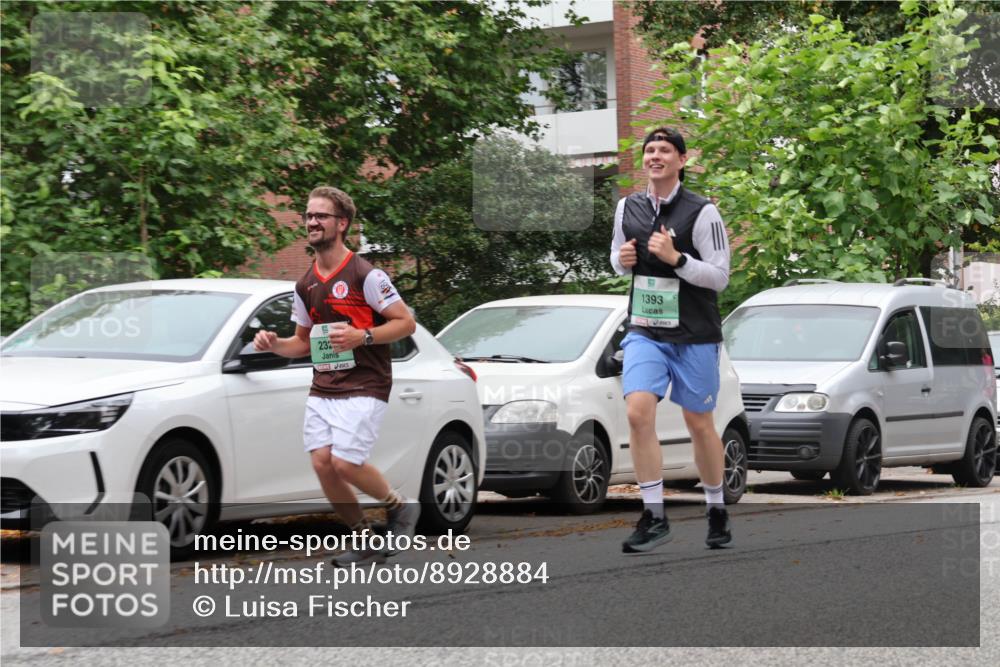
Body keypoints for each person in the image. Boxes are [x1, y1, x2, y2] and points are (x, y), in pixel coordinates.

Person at [254, 186, 418, 566]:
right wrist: (274, 343)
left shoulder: (367, 276)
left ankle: (400, 507)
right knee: (322, 464)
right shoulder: (305, 284)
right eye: (309, 215)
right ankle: (364, 538)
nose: (312, 222)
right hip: (324, 385)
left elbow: (406, 323)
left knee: (345, 462)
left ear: (341, 223)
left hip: (365, 383)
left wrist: (364, 336)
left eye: (321, 216)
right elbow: (303, 343)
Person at [609, 127, 733, 552]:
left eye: (664, 150)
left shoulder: (703, 212)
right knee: (637, 413)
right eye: (649, 150)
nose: (655, 156)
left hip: (695, 333)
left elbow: (718, 277)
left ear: (682, 160)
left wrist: (676, 259)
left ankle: (716, 508)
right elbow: (617, 258)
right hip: (645, 328)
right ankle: (654, 515)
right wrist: (622, 262)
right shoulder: (628, 207)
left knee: (699, 423)